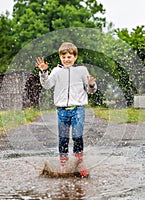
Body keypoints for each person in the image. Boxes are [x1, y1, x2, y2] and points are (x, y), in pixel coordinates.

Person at [36, 42, 97, 177]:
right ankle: (64, 165)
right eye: (64, 57)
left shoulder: (82, 70)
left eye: (69, 56)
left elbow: (90, 90)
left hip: (78, 108)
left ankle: (79, 164)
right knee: (63, 138)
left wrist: (92, 85)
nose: (66, 59)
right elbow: (46, 85)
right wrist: (43, 72)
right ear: (60, 58)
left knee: (77, 136)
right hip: (62, 110)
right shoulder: (56, 71)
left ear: (75, 57)